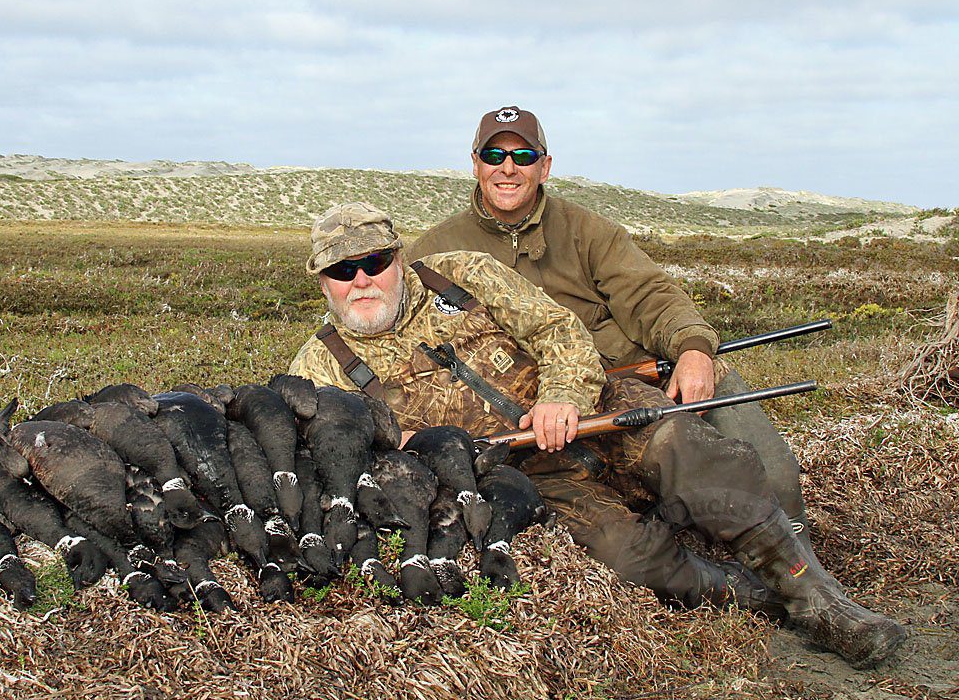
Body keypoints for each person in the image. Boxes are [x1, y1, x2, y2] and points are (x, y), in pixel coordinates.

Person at [289, 202, 907, 669]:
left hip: (601, 409)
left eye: (374, 262)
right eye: (343, 271)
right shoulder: (314, 368)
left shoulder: (465, 273)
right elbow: (344, 464)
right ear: (322, 281)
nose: (362, 280)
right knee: (630, 556)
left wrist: (564, 396)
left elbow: (561, 331)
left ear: (398, 258)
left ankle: (822, 602)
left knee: (688, 453)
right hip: (525, 475)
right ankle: (763, 596)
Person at [408, 105, 811, 542]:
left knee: (721, 395)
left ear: (545, 167)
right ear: (475, 164)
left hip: (625, 377)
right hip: (527, 409)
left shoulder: (589, 230)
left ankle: (792, 545)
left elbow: (649, 294)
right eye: (494, 156)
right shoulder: (434, 251)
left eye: (523, 157)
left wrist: (693, 348)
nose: (508, 169)